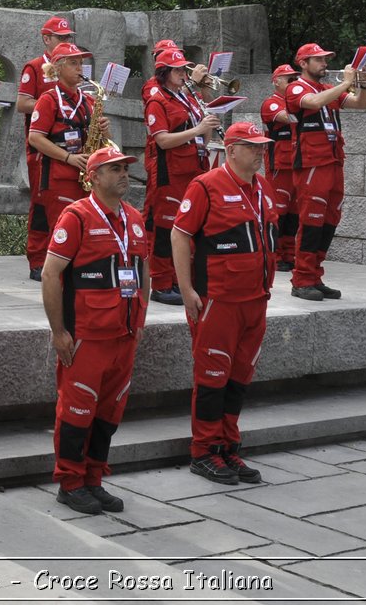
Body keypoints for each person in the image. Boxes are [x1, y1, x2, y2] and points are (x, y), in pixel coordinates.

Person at [41, 146, 151, 515]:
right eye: (114, 169)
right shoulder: (77, 217)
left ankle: (93, 479)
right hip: (88, 335)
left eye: (124, 168)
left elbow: (143, 273)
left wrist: (140, 318)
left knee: (109, 412)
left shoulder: (134, 218)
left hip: (124, 334)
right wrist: (59, 332)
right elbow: (51, 274)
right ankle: (70, 483)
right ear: (94, 177)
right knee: (76, 411)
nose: (123, 174)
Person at [171, 121, 279, 485]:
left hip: (256, 300)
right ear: (231, 150)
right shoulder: (205, 185)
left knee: (238, 378)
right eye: (253, 147)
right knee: (213, 377)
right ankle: (203, 451)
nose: (260, 152)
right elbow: (180, 235)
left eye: (262, 146)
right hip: (218, 300)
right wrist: (186, 290)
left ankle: (228, 447)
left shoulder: (262, 186)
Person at [284, 43, 366, 301]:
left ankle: (314, 276)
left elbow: (360, 104)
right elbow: (312, 102)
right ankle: (301, 279)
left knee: (330, 221)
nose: (324, 63)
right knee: (310, 222)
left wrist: (363, 84)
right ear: (303, 63)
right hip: (312, 164)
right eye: (319, 60)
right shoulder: (296, 87)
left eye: (325, 59)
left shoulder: (326, 89)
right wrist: (346, 82)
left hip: (333, 161)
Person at [144, 48, 222, 305]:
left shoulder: (186, 96)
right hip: (171, 171)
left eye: (183, 69)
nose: (182, 74)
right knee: (165, 229)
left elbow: (202, 136)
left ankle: (179, 279)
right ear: (164, 72)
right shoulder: (157, 99)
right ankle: (161, 283)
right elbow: (163, 140)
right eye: (177, 69)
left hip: (194, 167)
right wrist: (199, 129)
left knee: (188, 227)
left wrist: (207, 127)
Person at [18, 17, 85, 279]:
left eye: (69, 37)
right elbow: (22, 103)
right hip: (43, 149)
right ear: (47, 39)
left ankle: (63, 257)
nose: (67, 41)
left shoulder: (76, 77)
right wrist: (55, 105)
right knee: (41, 204)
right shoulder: (35, 67)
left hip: (69, 154)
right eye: (62, 37)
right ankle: (38, 258)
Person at [26, 42, 108, 255]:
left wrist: (104, 131)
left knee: (87, 233)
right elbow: (35, 137)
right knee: (63, 234)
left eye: (80, 63)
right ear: (58, 67)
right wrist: (68, 158)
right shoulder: (48, 99)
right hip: (59, 176)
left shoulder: (89, 100)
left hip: (86, 176)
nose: (80, 68)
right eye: (73, 63)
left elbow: (102, 141)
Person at [260, 64, 301, 272]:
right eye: (289, 79)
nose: (294, 83)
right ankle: (274, 254)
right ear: (276, 81)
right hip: (279, 164)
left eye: (295, 79)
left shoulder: (295, 101)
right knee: (278, 211)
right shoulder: (271, 103)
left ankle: (289, 253)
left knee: (294, 212)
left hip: (297, 162)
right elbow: (289, 117)